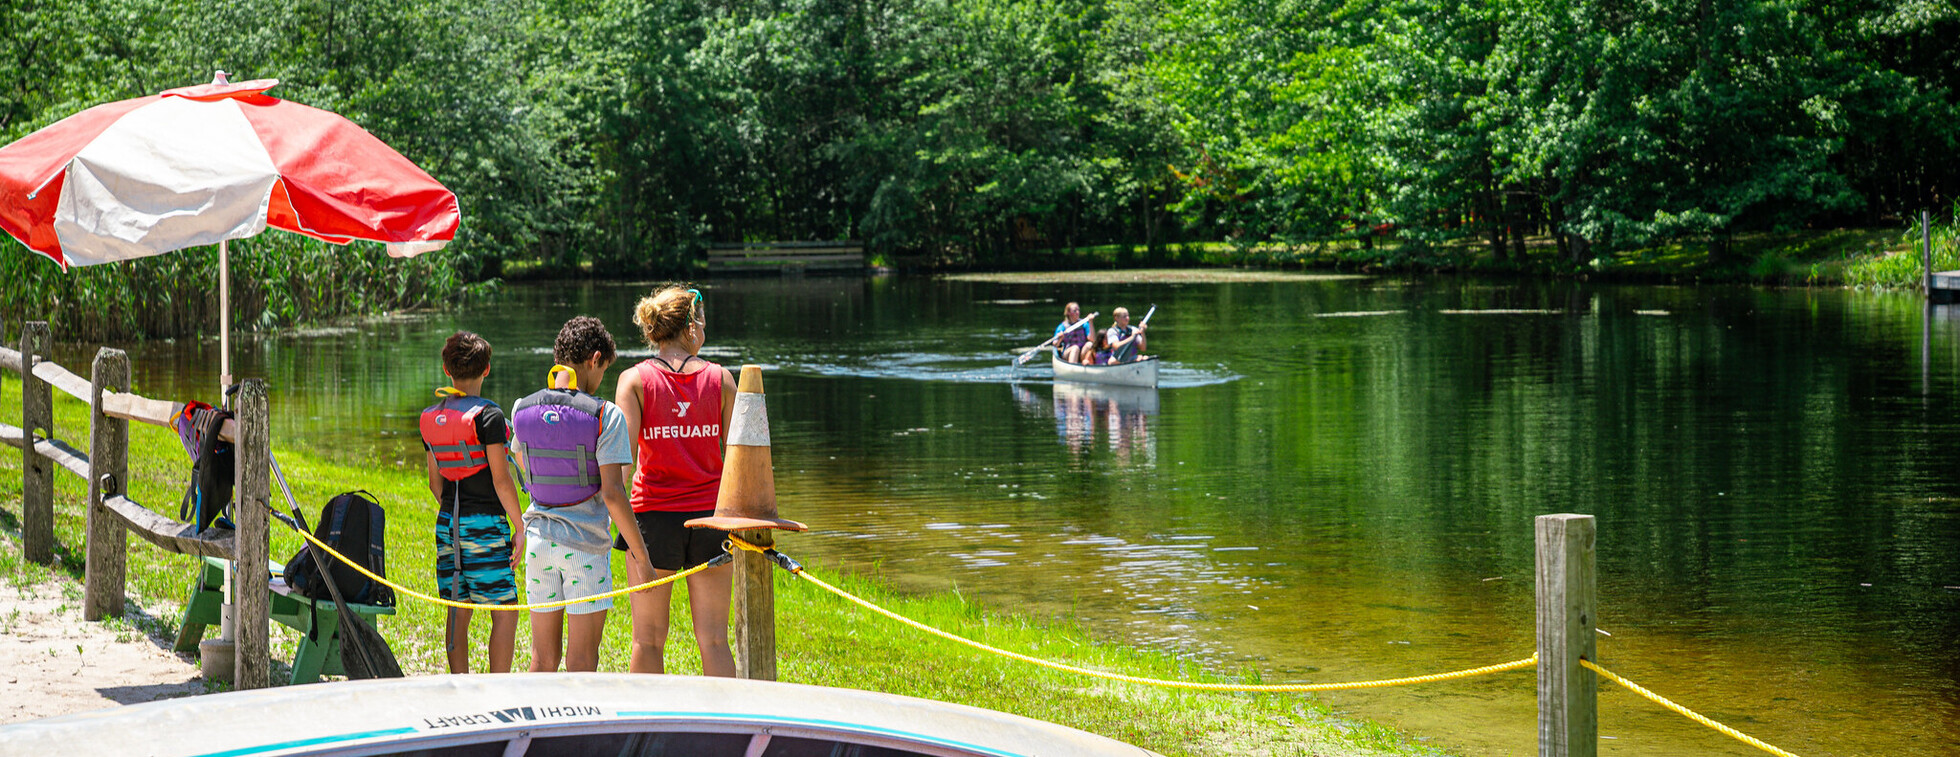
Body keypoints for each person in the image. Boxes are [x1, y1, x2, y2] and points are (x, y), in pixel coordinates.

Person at [509, 317, 656, 672]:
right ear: (594, 359)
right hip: (584, 549)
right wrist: (642, 560)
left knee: (542, 659)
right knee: (581, 660)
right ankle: (577, 729)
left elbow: (520, 459)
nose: (601, 377)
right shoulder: (606, 415)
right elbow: (614, 494)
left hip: (539, 543)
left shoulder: (522, 409)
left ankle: (535, 727)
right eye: (604, 368)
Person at [614, 285, 739, 676]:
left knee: (647, 639)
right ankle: (731, 734)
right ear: (689, 327)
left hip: (652, 518)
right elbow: (740, 463)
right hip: (711, 518)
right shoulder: (722, 379)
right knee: (716, 638)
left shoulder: (632, 381)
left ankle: (646, 732)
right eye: (701, 322)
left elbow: (622, 468)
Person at [418, 331, 523, 674]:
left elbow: (436, 483)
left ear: (447, 370)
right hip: (486, 525)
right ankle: (498, 688)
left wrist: (454, 513)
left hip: (448, 523)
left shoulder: (431, 418)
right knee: (504, 609)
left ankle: (459, 683)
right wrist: (519, 526)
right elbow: (501, 479)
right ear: (487, 370)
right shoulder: (489, 417)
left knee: (457, 606)